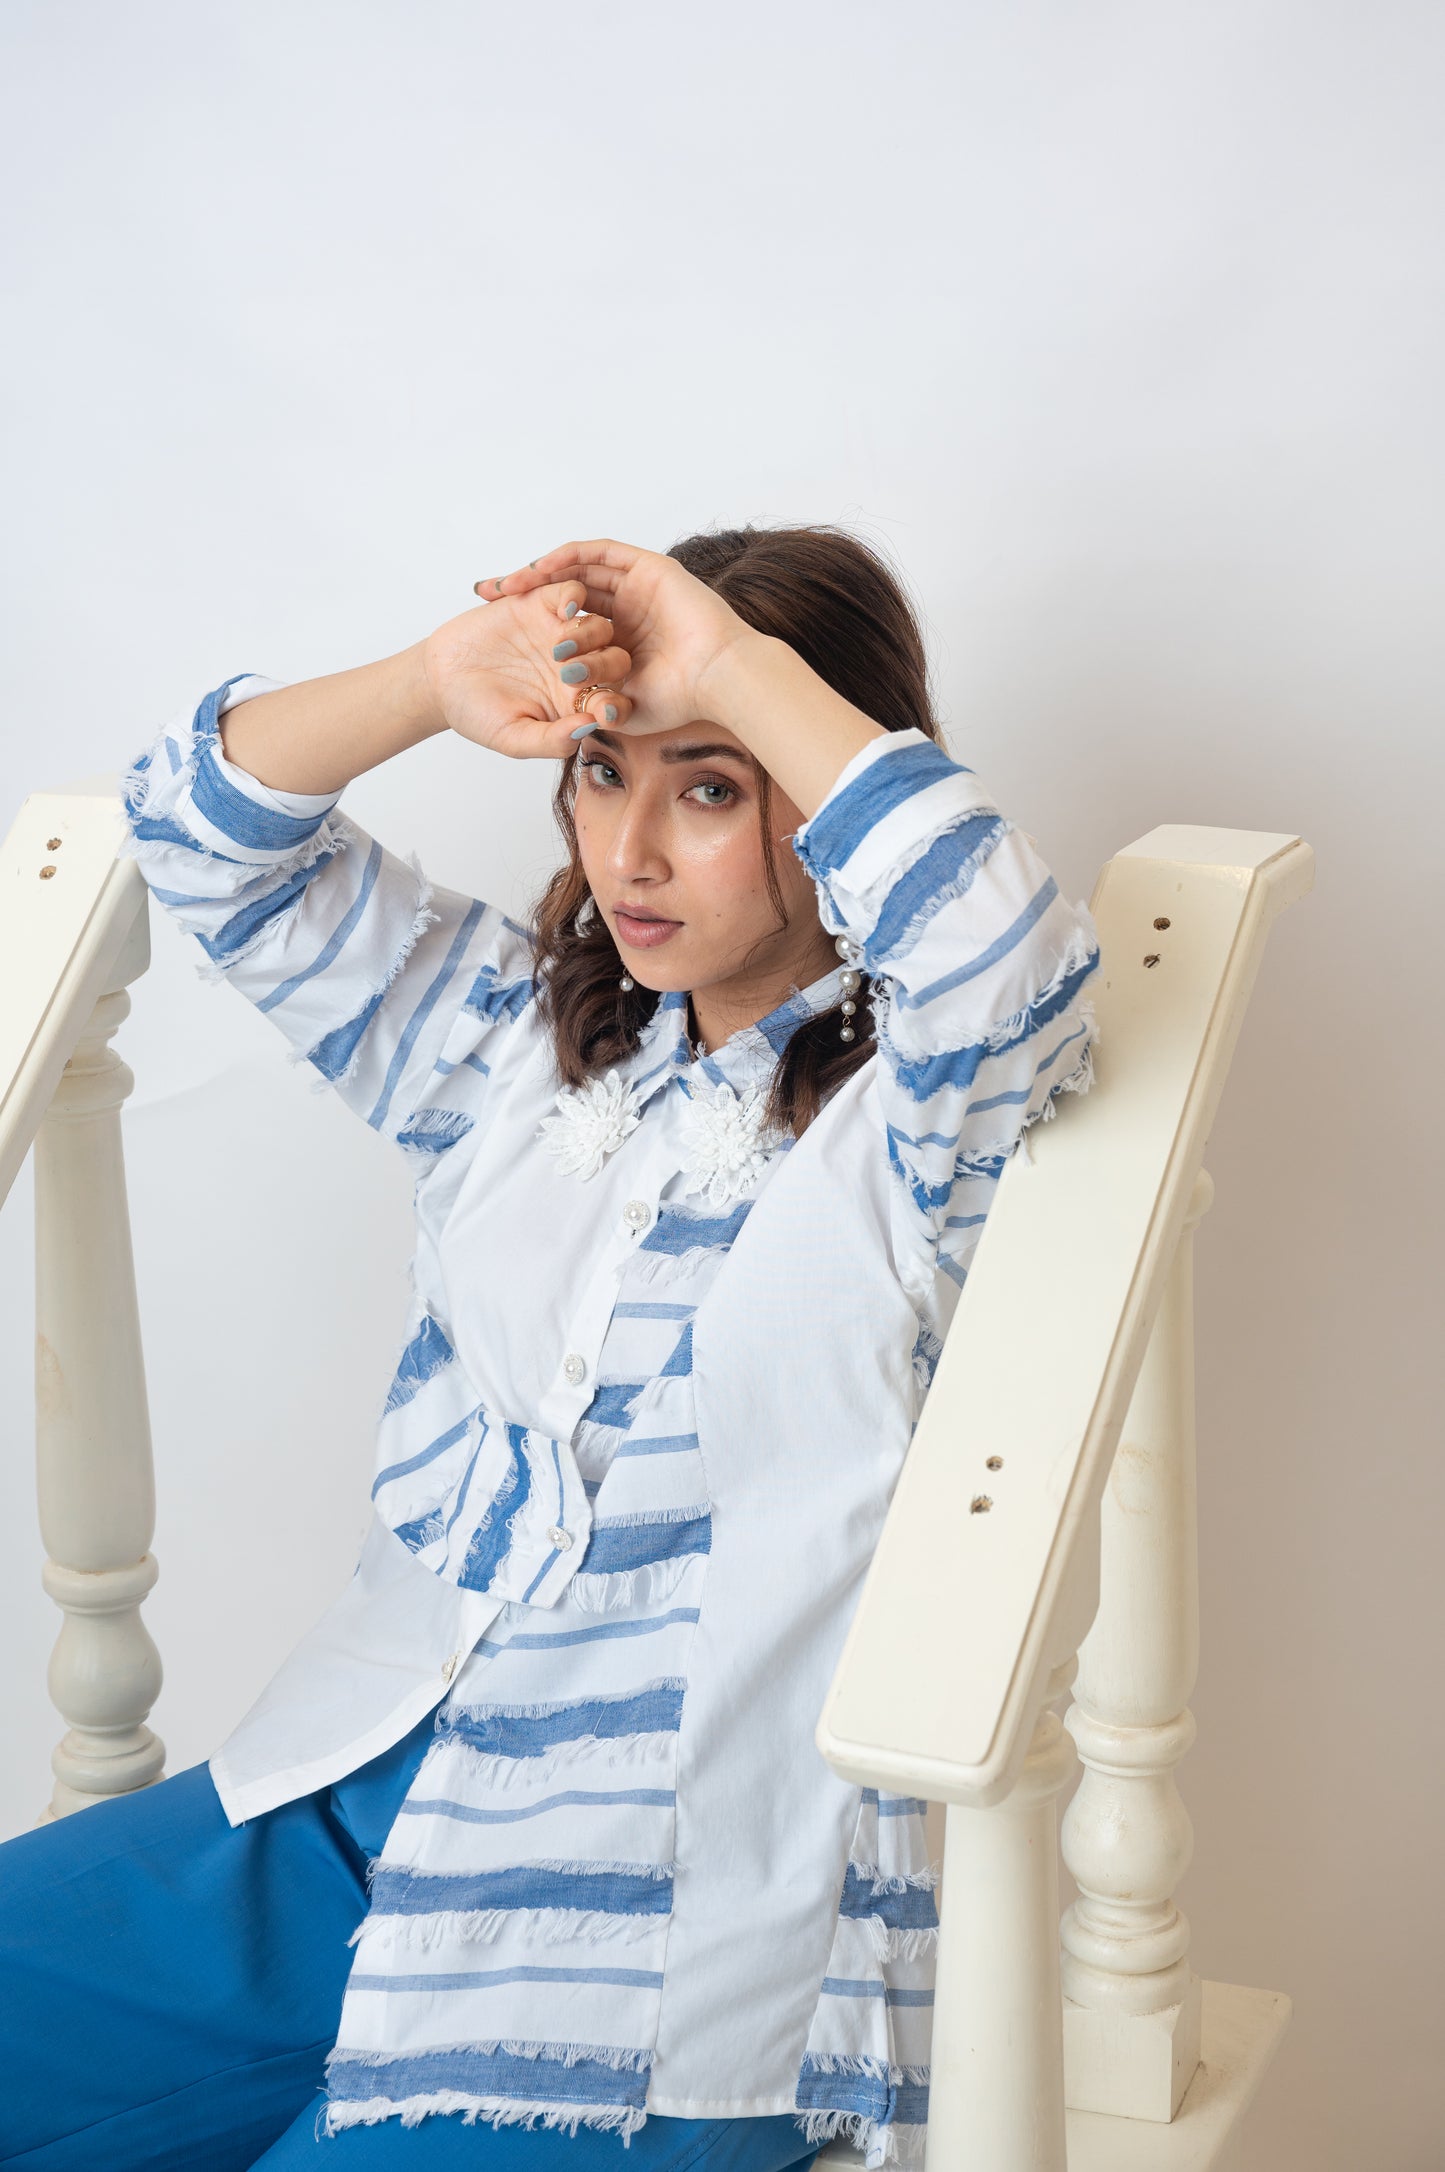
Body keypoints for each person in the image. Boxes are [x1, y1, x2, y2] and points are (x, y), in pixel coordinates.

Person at [0, 527, 1101, 2172]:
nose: (630, 853)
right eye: (599, 776)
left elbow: (1003, 954)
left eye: (710, 788)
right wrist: (439, 680)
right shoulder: (512, 1047)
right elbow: (197, 825)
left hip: (664, 1924)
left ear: (824, 788)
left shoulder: (922, 1129)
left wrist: (722, 657)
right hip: (351, 1809)